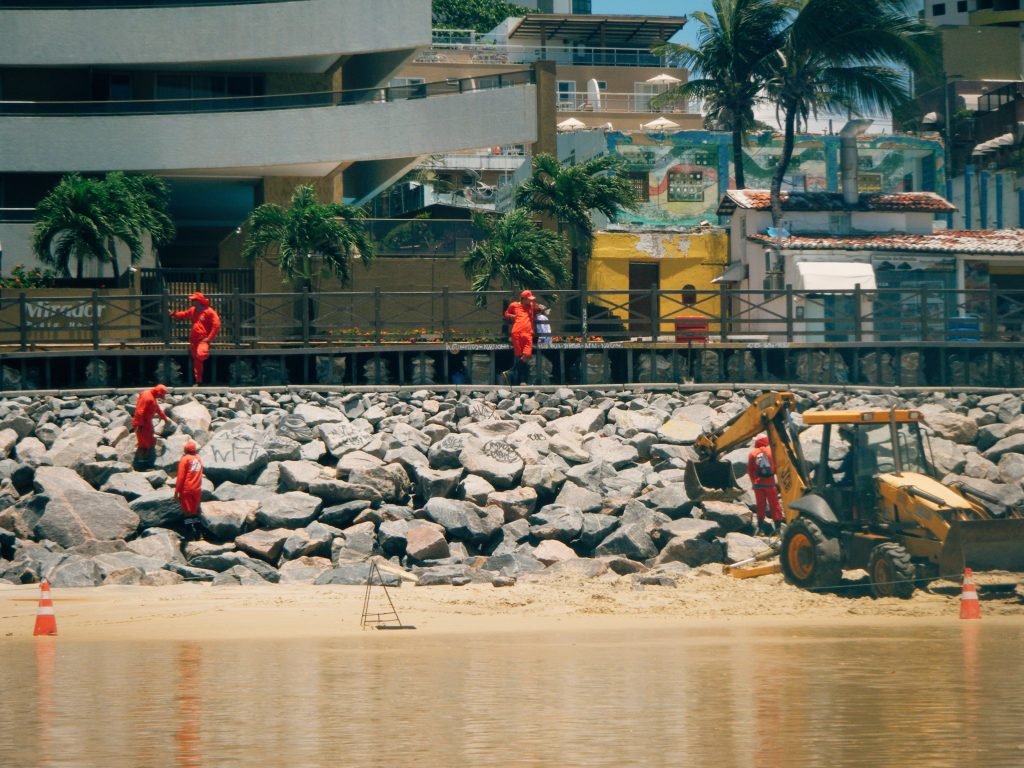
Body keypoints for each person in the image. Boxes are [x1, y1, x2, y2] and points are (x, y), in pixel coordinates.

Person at [170, 292, 221, 385]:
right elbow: (184, 314)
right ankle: (199, 381)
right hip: (194, 340)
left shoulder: (209, 311)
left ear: (199, 301)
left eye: (194, 300)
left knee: (200, 355)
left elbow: (216, 325)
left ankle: (204, 373)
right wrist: (174, 314)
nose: (192, 301)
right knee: (197, 361)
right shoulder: (193, 310)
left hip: (203, 340)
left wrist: (209, 338)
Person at [747, 435, 784, 535]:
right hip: (770, 484)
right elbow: (776, 467)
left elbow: (750, 470)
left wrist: (754, 482)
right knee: (775, 505)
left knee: (760, 506)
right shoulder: (771, 452)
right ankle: (778, 530)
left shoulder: (752, 453)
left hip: (758, 484)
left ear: (758, 442)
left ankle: (761, 529)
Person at [501, 289, 538, 385]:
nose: (531, 301)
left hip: (528, 333)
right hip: (517, 332)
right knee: (519, 356)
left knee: (527, 355)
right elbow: (506, 313)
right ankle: (522, 381)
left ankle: (510, 372)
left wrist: (538, 307)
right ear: (523, 299)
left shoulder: (531, 306)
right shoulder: (514, 305)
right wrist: (511, 316)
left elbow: (541, 309)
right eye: (529, 299)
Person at [132, 383, 168, 469]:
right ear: (158, 393)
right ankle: (141, 466)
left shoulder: (151, 396)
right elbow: (139, 412)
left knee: (149, 443)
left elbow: (157, 408)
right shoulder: (148, 397)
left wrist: (164, 417)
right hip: (142, 425)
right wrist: (139, 426)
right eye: (161, 395)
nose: (161, 397)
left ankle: (145, 464)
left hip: (147, 424)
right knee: (143, 445)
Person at [175, 440, 205, 540]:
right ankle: (199, 533)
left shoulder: (185, 459)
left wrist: (176, 492)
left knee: (187, 513)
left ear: (186, 450)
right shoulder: (198, 458)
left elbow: (180, 477)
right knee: (194, 512)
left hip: (187, 488)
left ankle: (189, 534)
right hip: (197, 489)